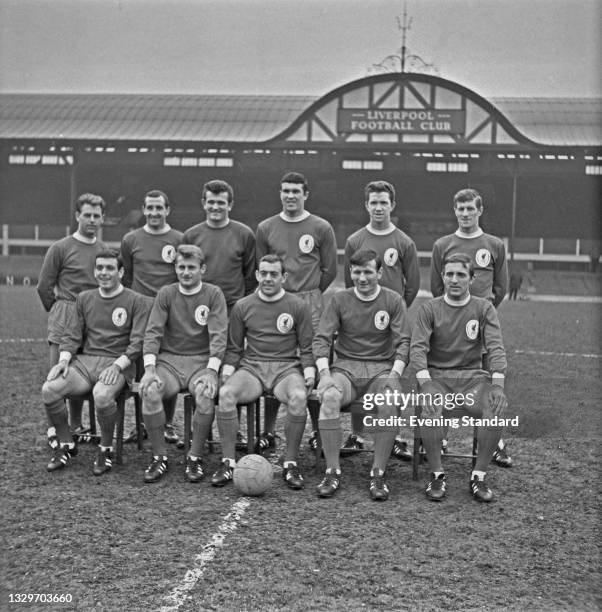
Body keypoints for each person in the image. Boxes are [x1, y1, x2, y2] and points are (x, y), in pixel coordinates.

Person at [312, 249, 410, 500]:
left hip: (381, 371)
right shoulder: (339, 299)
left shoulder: (393, 300)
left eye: (368, 271)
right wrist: (324, 374)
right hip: (346, 368)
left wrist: (394, 375)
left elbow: (403, 343)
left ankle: (378, 472)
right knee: (330, 397)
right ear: (350, 272)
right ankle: (332, 470)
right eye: (357, 272)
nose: (362, 277)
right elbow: (322, 339)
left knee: (389, 401)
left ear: (379, 272)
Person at [210, 254, 315, 490]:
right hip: (253, 368)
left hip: (286, 368)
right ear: (257, 275)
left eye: (274, 274)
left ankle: (290, 463)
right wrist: (226, 373)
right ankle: (228, 462)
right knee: (226, 394)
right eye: (264, 273)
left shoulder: (298, 306)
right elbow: (235, 348)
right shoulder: (242, 306)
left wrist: (309, 373)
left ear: (284, 277)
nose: (268, 278)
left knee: (299, 397)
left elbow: (307, 347)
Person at [410, 253, 508, 502]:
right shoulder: (429, 308)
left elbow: (496, 348)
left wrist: (497, 385)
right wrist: (427, 383)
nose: (454, 279)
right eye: (450, 274)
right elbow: (417, 349)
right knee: (430, 408)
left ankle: (479, 476)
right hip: (439, 379)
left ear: (471, 279)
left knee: (493, 408)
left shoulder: (484, 308)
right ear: (442, 276)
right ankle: (436, 474)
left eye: (461, 274)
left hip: (472, 380)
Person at [41, 249, 149, 474]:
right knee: (49, 389)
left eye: (110, 268)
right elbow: (72, 335)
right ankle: (66, 444)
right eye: (99, 268)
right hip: (86, 362)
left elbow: (138, 342)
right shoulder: (84, 298)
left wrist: (118, 365)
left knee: (102, 395)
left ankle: (106, 449)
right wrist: (63, 360)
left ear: (120, 272)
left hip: (119, 364)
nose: (104, 272)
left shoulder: (136, 300)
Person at [255, 171, 337, 452]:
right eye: (285, 190)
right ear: (280, 193)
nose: (290, 196)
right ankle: (267, 431)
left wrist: (308, 295)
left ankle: (316, 431)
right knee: (273, 359)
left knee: (310, 363)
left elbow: (329, 270)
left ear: (305, 194)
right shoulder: (266, 227)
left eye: (295, 191)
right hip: (275, 301)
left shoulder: (321, 227)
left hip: (310, 303)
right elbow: (262, 265)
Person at [430, 188, 511, 467]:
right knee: (447, 377)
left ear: (480, 210)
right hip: (451, 325)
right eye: (460, 209)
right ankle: (440, 437)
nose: (465, 214)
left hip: (482, 323)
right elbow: (436, 288)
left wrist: (482, 310)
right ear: (455, 211)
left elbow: (500, 287)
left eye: (470, 209)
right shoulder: (443, 244)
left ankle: (495, 442)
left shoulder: (494, 245)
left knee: (487, 383)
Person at [341, 180, 420, 461]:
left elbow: (412, 284)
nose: (378, 207)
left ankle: (396, 436)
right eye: (373, 202)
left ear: (392, 205)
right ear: (366, 205)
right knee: (357, 369)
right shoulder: (354, 240)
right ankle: (357, 434)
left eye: (383, 202)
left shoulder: (404, 242)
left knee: (390, 377)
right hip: (359, 320)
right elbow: (348, 280)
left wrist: (392, 312)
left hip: (390, 320)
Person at [138, 245, 227, 483]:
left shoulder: (213, 294)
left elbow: (219, 334)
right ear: (175, 268)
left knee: (206, 395)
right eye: (181, 267)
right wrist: (149, 369)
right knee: (149, 390)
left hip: (201, 362)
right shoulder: (166, 293)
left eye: (191, 268)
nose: (186, 272)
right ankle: (159, 457)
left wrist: (211, 371)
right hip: (170, 362)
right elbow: (153, 331)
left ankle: (194, 457)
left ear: (202, 269)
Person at [183, 179, 257, 448]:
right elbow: (185, 271)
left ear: (230, 205)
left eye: (221, 202)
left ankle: (232, 427)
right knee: (204, 363)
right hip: (199, 311)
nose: (215, 206)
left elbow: (250, 275)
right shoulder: (192, 235)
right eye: (211, 201)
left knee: (230, 366)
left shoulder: (244, 234)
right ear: (204, 203)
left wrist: (236, 304)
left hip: (232, 309)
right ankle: (203, 429)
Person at [37, 193, 108, 446]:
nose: (91, 220)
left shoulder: (104, 251)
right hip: (65, 314)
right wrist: (59, 312)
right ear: (77, 216)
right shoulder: (60, 247)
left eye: (96, 216)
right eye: (86, 215)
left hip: (93, 318)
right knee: (57, 374)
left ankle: (76, 425)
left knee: (80, 373)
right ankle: (55, 429)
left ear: (102, 219)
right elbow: (44, 287)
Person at [120, 189, 184, 445]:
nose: (155, 212)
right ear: (144, 210)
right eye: (150, 208)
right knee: (139, 367)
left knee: (165, 364)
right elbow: (127, 276)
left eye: (159, 208)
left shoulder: (180, 238)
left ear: (167, 210)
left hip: (170, 309)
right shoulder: (130, 240)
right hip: (141, 309)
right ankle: (140, 425)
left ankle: (166, 423)